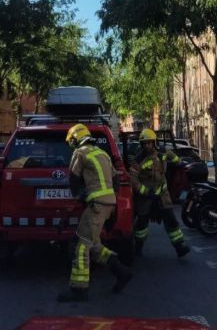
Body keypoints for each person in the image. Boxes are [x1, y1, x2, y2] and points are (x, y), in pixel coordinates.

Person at [57, 124, 132, 302]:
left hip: (96, 205)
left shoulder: (80, 153)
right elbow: (115, 180)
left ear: (75, 139)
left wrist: (78, 196)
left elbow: (74, 179)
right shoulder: (102, 153)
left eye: (72, 142)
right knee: (93, 244)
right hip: (107, 204)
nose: (72, 145)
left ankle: (79, 290)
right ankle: (121, 272)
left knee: (80, 245)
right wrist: (111, 202)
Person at [131, 129, 191, 258]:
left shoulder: (163, 153)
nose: (147, 145)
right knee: (142, 224)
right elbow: (133, 180)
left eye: (149, 143)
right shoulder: (138, 160)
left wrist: (182, 164)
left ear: (154, 142)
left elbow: (175, 159)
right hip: (146, 196)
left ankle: (180, 246)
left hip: (162, 194)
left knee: (171, 221)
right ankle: (138, 247)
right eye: (144, 143)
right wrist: (146, 192)